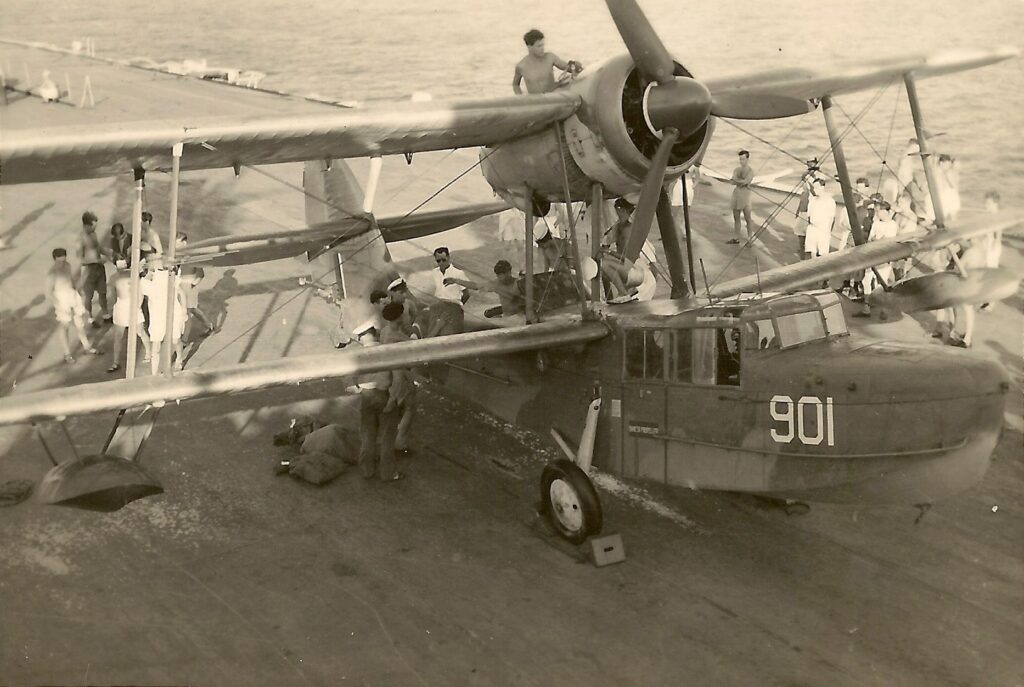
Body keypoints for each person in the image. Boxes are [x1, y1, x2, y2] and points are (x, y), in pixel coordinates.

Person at [353, 321, 403, 482]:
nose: (359, 339)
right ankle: (388, 473)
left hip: (367, 397)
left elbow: (348, 378)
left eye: (360, 336)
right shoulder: (387, 352)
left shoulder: (359, 355)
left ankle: (367, 470)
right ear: (374, 333)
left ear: (365, 336)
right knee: (388, 437)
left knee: (367, 435)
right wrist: (393, 398)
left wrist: (359, 388)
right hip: (385, 395)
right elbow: (398, 378)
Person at [47, 248, 99, 363]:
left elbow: (71, 281)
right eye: (59, 262)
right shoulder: (52, 273)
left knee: (80, 322)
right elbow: (48, 293)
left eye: (64, 260)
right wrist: (59, 306)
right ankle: (67, 354)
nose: (62, 263)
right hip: (61, 300)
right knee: (64, 326)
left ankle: (87, 347)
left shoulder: (67, 265)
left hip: (72, 295)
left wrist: (77, 292)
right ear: (54, 259)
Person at [380, 303, 419, 454]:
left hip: (390, 374)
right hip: (400, 375)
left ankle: (393, 439)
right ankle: (399, 443)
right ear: (400, 317)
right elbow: (419, 345)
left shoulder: (386, 331)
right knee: (409, 408)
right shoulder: (394, 336)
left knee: (396, 408)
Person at [140, 256, 186, 374]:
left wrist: (184, 311)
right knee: (156, 346)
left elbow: (181, 293)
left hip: (173, 313)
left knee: (176, 340)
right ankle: (154, 374)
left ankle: (179, 358)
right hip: (157, 317)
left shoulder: (171, 277)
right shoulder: (145, 283)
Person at [107, 264, 152, 373]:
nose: (121, 267)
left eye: (123, 264)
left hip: (133, 305)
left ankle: (149, 352)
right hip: (120, 306)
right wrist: (111, 308)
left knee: (140, 331)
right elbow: (112, 294)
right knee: (118, 336)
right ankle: (115, 362)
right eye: (118, 264)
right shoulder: (113, 277)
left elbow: (139, 293)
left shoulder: (133, 276)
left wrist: (137, 306)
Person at [445, 259, 526, 318]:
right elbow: (476, 286)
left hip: (520, 314)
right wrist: (456, 280)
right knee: (487, 314)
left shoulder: (519, 283)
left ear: (509, 272)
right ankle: (500, 312)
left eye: (503, 275)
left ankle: (501, 312)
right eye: (498, 276)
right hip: (507, 314)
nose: (501, 278)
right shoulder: (496, 284)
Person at [512, 29, 582, 95]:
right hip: (536, 101)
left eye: (543, 45)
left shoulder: (550, 57)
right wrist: (520, 96)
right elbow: (515, 85)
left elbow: (568, 68)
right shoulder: (521, 66)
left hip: (552, 96)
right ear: (529, 47)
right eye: (539, 46)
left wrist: (576, 65)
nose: (542, 48)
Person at [174, 234, 215, 336]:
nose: (175, 246)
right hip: (179, 286)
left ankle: (184, 340)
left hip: (189, 288)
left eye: (177, 243)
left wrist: (192, 284)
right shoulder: (178, 255)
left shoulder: (192, 256)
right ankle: (209, 325)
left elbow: (201, 273)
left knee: (188, 312)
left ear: (184, 243)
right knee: (193, 310)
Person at [77, 211, 110, 327]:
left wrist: (108, 253)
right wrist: (96, 261)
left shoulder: (93, 234)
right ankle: (90, 318)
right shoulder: (80, 239)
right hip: (88, 270)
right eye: (93, 226)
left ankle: (106, 315)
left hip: (99, 268)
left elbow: (98, 247)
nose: (94, 229)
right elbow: (80, 259)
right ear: (86, 225)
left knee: (103, 292)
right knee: (88, 296)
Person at [430, 247, 468, 337]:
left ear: (449, 258)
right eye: (438, 261)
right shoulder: (434, 273)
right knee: (434, 332)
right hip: (438, 306)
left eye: (444, 260)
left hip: (453, 306)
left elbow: (466, 294)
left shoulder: (458, 273)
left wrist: (458, 305)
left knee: (451, 334)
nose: (441, 263)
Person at [804, 178, 836, 260]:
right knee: (812, 251)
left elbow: (832, 218)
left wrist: (828, 232)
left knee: (823, 254)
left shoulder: (830, 201)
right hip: (812, 228)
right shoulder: (812, 200)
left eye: (817, 187)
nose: (815, 189)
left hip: (823, 229)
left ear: (822, 187)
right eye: (814, 187)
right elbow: (809, 215)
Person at [728, 150, 754, 244]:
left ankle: (750, 238)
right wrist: (739, 181)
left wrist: (737, 181)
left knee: (748, 217)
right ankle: (736, 237)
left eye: (743, 159)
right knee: (736, 217)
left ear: (747, 159)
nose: (741, 161)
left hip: (745, 196)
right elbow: (732, 181)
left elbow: (745, 182)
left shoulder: (750, 170)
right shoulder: (736, 169)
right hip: (736, 195)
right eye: (740, 159)